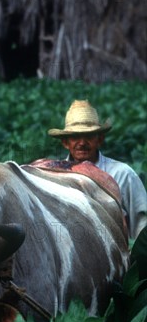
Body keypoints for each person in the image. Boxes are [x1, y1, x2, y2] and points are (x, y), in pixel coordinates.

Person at [48, 99, 147, 240]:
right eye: (75, 137)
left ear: (99, 139)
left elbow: (142, 226)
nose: (82, 143)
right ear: (65, 142)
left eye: (88, 136)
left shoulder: (122, 174)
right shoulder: (53, 176)